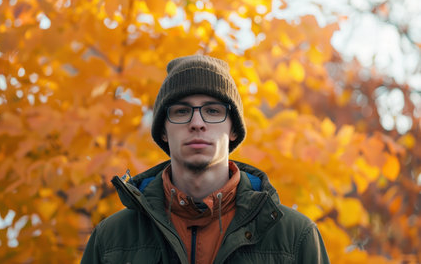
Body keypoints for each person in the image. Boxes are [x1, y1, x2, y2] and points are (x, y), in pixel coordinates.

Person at [81, 55, 330, 263]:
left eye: (213, 111)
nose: (197, 123)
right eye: (181, 111)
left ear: (234, 129)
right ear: (163, 131)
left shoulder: (295, 237)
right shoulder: (111, 239)